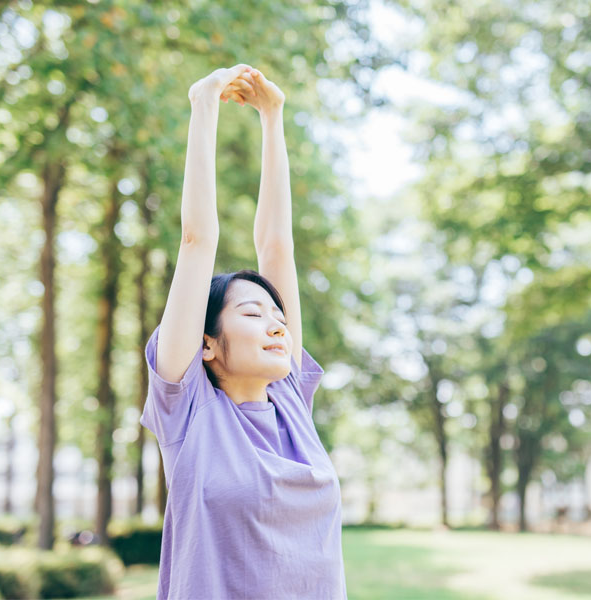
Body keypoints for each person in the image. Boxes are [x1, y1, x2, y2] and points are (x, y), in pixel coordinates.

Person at [140, 64, 347, 599]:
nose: (278, 324)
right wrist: (204, 102)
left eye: (277, 316)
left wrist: (273, 117)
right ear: (206, 344)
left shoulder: (291, 402)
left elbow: (277, 246)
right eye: (253, 315)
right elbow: (196, 240)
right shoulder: (188, 413)